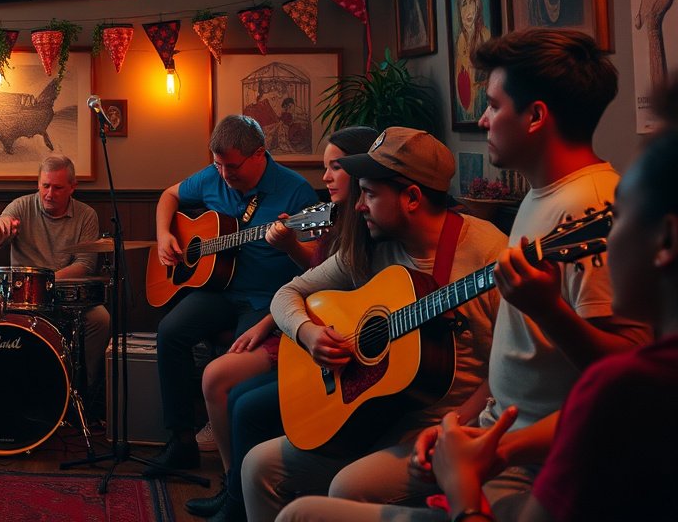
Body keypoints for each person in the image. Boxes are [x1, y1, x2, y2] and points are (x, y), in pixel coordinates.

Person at [275, 28, 650, 522]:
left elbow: (629, 376)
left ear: (536, 116)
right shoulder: (543, 196)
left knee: (307, 513)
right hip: (488, 433)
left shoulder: (589, 203)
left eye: (493, 105)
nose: (483, 119)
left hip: (534, 463)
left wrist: (546, 311)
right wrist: (460, 425)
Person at [242, 127, 506, 521]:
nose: (359, 206)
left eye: (369, 194)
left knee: (347, 486)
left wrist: (456, 425)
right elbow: (287, 294)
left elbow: (504, 372)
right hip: (372, 416)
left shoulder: (489, 254)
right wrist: (309, 333)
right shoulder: (372, 246)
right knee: (257, 466)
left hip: (442, 428)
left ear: (412, 198)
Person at [429, 125, 678, 521]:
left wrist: (462, 490)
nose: (605, 243)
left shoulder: (628, 381)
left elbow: (610, 398)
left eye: (616, 220)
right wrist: (491, 444)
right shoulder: (649, 372)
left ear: (666, 240)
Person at [188, 126, 377, 521]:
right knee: (210, 371)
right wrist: (269, 323)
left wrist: (289, 246)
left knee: (235, 394)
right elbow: (310, 282)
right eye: (325, 167)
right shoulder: (340, 219)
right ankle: (232, 486)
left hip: (326, 334)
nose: (325, 177)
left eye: (335, 167)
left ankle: (239, 498)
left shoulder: (357, 225)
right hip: (298, 321)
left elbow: (321, 284)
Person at [145, 114, 318, 475]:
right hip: (220, 291)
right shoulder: (213, 175)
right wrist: (164, 235)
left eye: (232, 166)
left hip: (266, 300)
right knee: (170, 332)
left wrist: (290, 245)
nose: (224, 174)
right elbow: (169, 196)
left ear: (259, 154)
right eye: (218, 165)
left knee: (237, 359)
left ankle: (241, 474)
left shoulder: (296, 192)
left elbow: (315, 266)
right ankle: (181, 441)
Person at [0, 154, 110, 409]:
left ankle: (87, 393)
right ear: (38, 183)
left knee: (100, 319)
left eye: (57, 187)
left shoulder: (86, 215)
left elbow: (85, 265)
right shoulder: (20, 206)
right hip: (21, 296)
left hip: (66, 294)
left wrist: (44, 282)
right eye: (45, 185)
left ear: (72, 187)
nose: (49, 194)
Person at [453, 0, 493, 123]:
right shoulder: (459, 43)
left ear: (478, 3)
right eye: (464, 3)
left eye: (472, 1)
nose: (468, 10)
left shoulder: (486, 38)